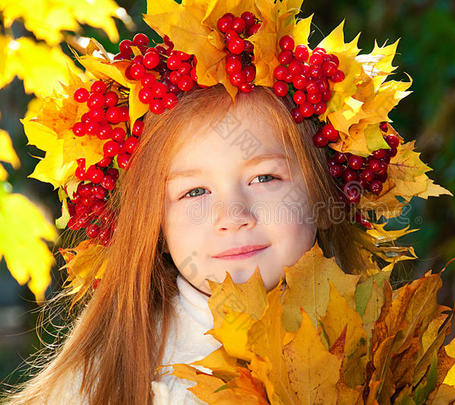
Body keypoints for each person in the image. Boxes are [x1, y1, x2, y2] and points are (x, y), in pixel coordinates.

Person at [2, 0, 428, 403]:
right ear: (155, 225)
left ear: (322, 190)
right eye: (194, 192)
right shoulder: (102, 381)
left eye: (264, 177)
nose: (233, 216)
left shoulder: (384, 351)